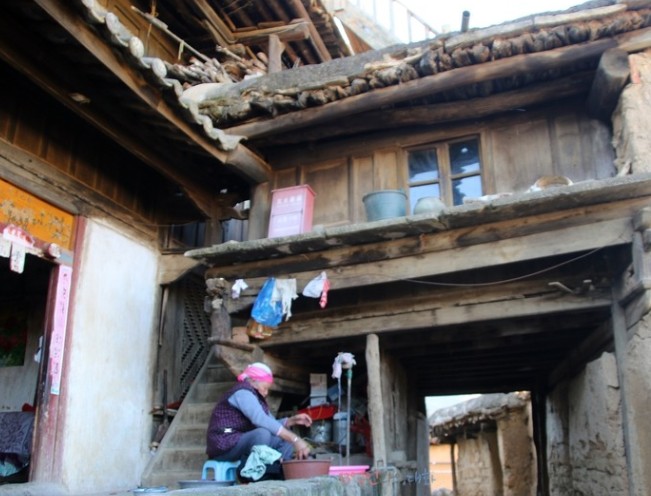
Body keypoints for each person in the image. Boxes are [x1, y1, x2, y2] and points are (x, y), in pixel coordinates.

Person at [206, 362, 313, 462]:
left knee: (283, 436)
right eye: (265, 388)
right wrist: (295, 439)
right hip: (224, 442)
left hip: (239, 438)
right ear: (253, 380)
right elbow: (260, 419)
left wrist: (291, 421)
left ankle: (282, 468)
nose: (266, 393)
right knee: (262, 434)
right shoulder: (242, 393)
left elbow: (270, 424)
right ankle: (257, 471)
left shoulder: (255, 396)